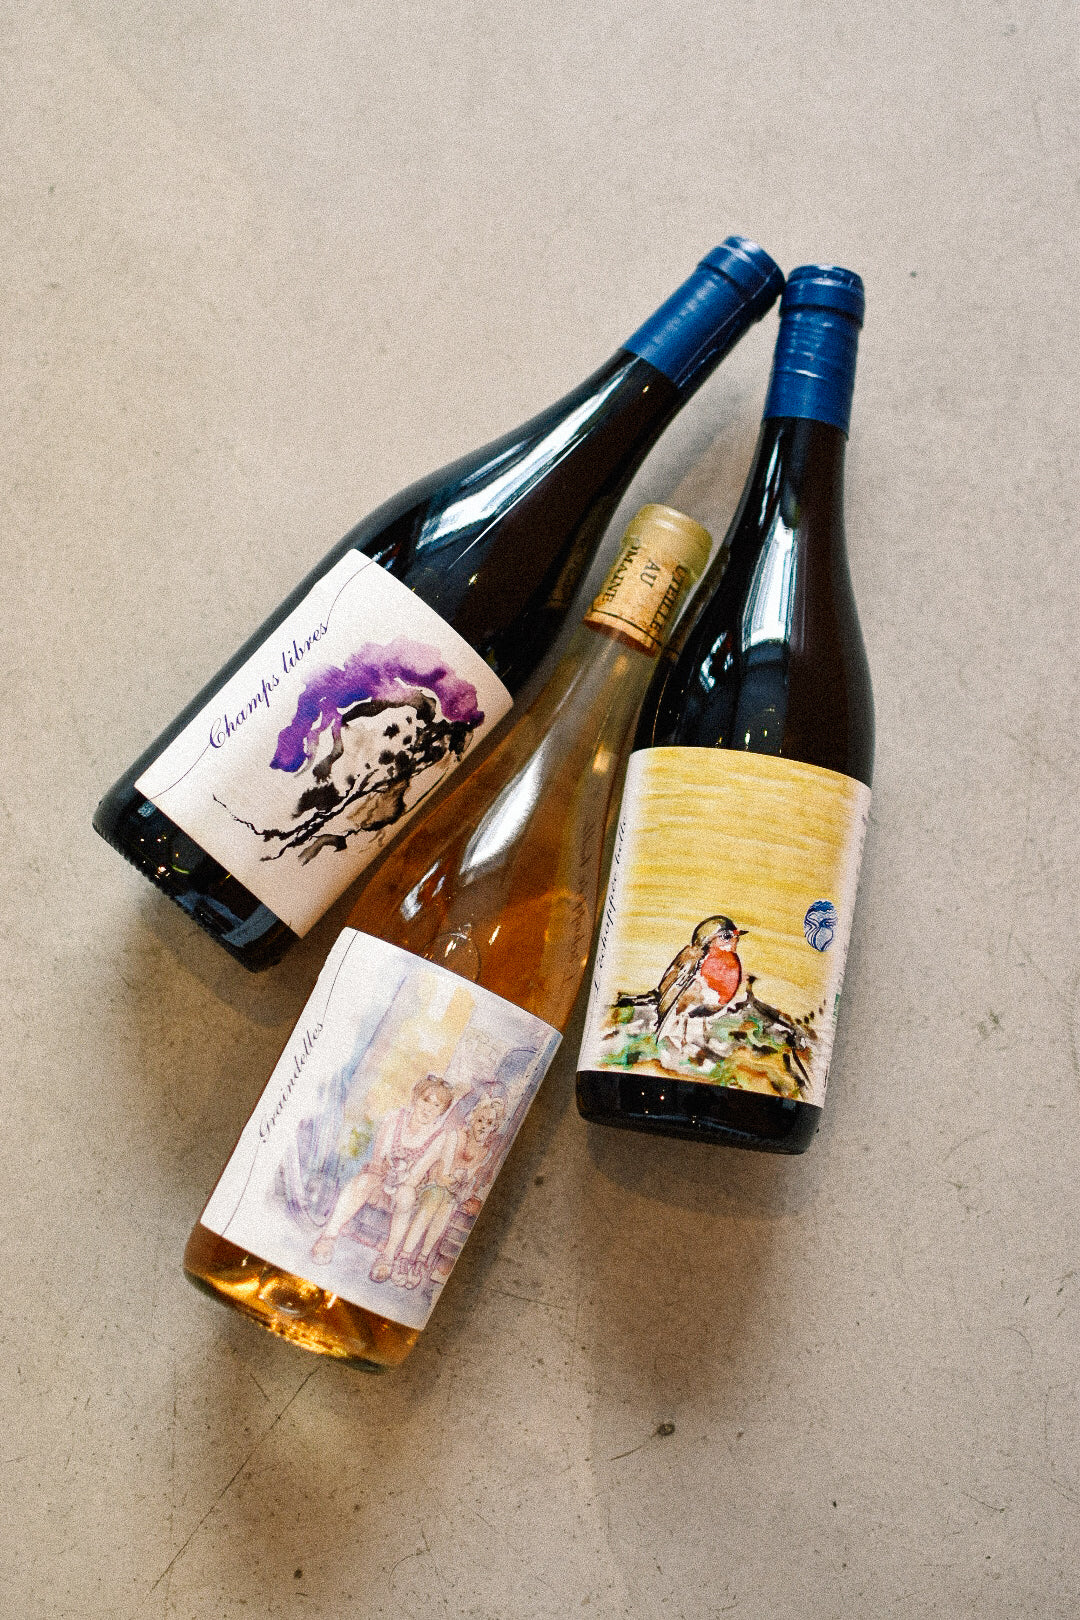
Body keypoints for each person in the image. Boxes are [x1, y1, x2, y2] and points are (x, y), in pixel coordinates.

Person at [310, 1074, 455, 1282]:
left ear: (442, 1111)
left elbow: (415, 1176)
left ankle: (388, 1255)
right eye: (426, 1100)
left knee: (406, 1196)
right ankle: (329, 1236)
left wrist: (397, 1182)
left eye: (436, 1105)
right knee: (362, 1182)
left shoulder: (439, 1136)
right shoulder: (395, 1118)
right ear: (416, 1098)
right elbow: (378, 1160)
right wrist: (382, 1181)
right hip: (380, 1174)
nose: (428, 1109)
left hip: (407, 1184)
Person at [389, 1093, 507, 1290]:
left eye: (489, 1123)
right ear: (472, 1119)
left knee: (448, 1203)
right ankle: (405, 1256)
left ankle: (421, 1259)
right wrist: (454, 1181)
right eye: (480, 1120)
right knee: (437, 1196)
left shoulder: (484, 1152)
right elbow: (442, 1174)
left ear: (494, 1127)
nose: (483, 1126)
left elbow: (467, 1182)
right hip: (429, 1185)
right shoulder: (455, 1136)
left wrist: (461, 1188)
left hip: (449, 1195)